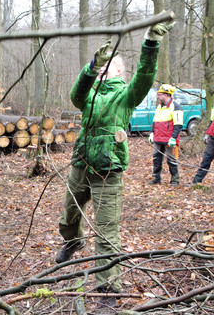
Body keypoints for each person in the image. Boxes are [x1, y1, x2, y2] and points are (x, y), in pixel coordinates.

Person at [54, 19, 174, 308]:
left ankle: (108, 289)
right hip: (81, 163)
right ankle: (73, 241)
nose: (105, 72)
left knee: (106, 230)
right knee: (69, 215)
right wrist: (92, 66)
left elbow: (145, 76)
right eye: (103, 69)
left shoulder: (126, 96)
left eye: (110, 67)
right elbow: (75, 95)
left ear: (120, 72)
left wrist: (150, 43)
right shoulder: (90, 95)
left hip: (109, 171)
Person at [148, 84, 183, 186]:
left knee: (172, 160)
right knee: (156, 159)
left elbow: (178, 124)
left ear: (167, 95)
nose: (158, 96)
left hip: (169, 139)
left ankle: (175, 180)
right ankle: (156, 178)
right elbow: (155, 121)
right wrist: (152, 133)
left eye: (160, 94)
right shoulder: (159, 106)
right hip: (158, 137)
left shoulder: (176, 107)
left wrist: (173, 138)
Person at [190, 107, 214, 184]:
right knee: (205, 160)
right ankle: (196, 182)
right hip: (212, 138)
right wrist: (207, 134)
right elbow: (211, 121)